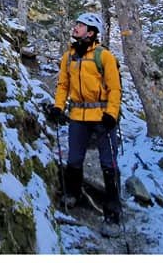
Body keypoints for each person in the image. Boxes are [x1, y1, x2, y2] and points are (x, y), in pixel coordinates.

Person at [47, 12, 122, 237]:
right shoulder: (68, 56)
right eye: (76, 24)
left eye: (80, 25)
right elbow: (63, 84)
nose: (76, 27)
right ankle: (74, 194)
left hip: (102, 118)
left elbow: (114, 88)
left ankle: (112, 214)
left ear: (91, 32)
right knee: (74, 159)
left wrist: (111, 113)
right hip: (78, 116)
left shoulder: (104, 56)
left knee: (108, 165)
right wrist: (58, 107)